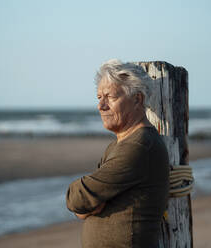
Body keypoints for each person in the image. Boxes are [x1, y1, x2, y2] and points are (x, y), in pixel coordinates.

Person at [66, 59, 170, 248]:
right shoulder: (120, 145)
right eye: (99, 98)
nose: (101, 106)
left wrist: (89, 203)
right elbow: (82, 205)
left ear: (137, 99)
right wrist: (89, 203)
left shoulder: (139, 146)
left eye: (110, 97)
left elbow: (76, 197)